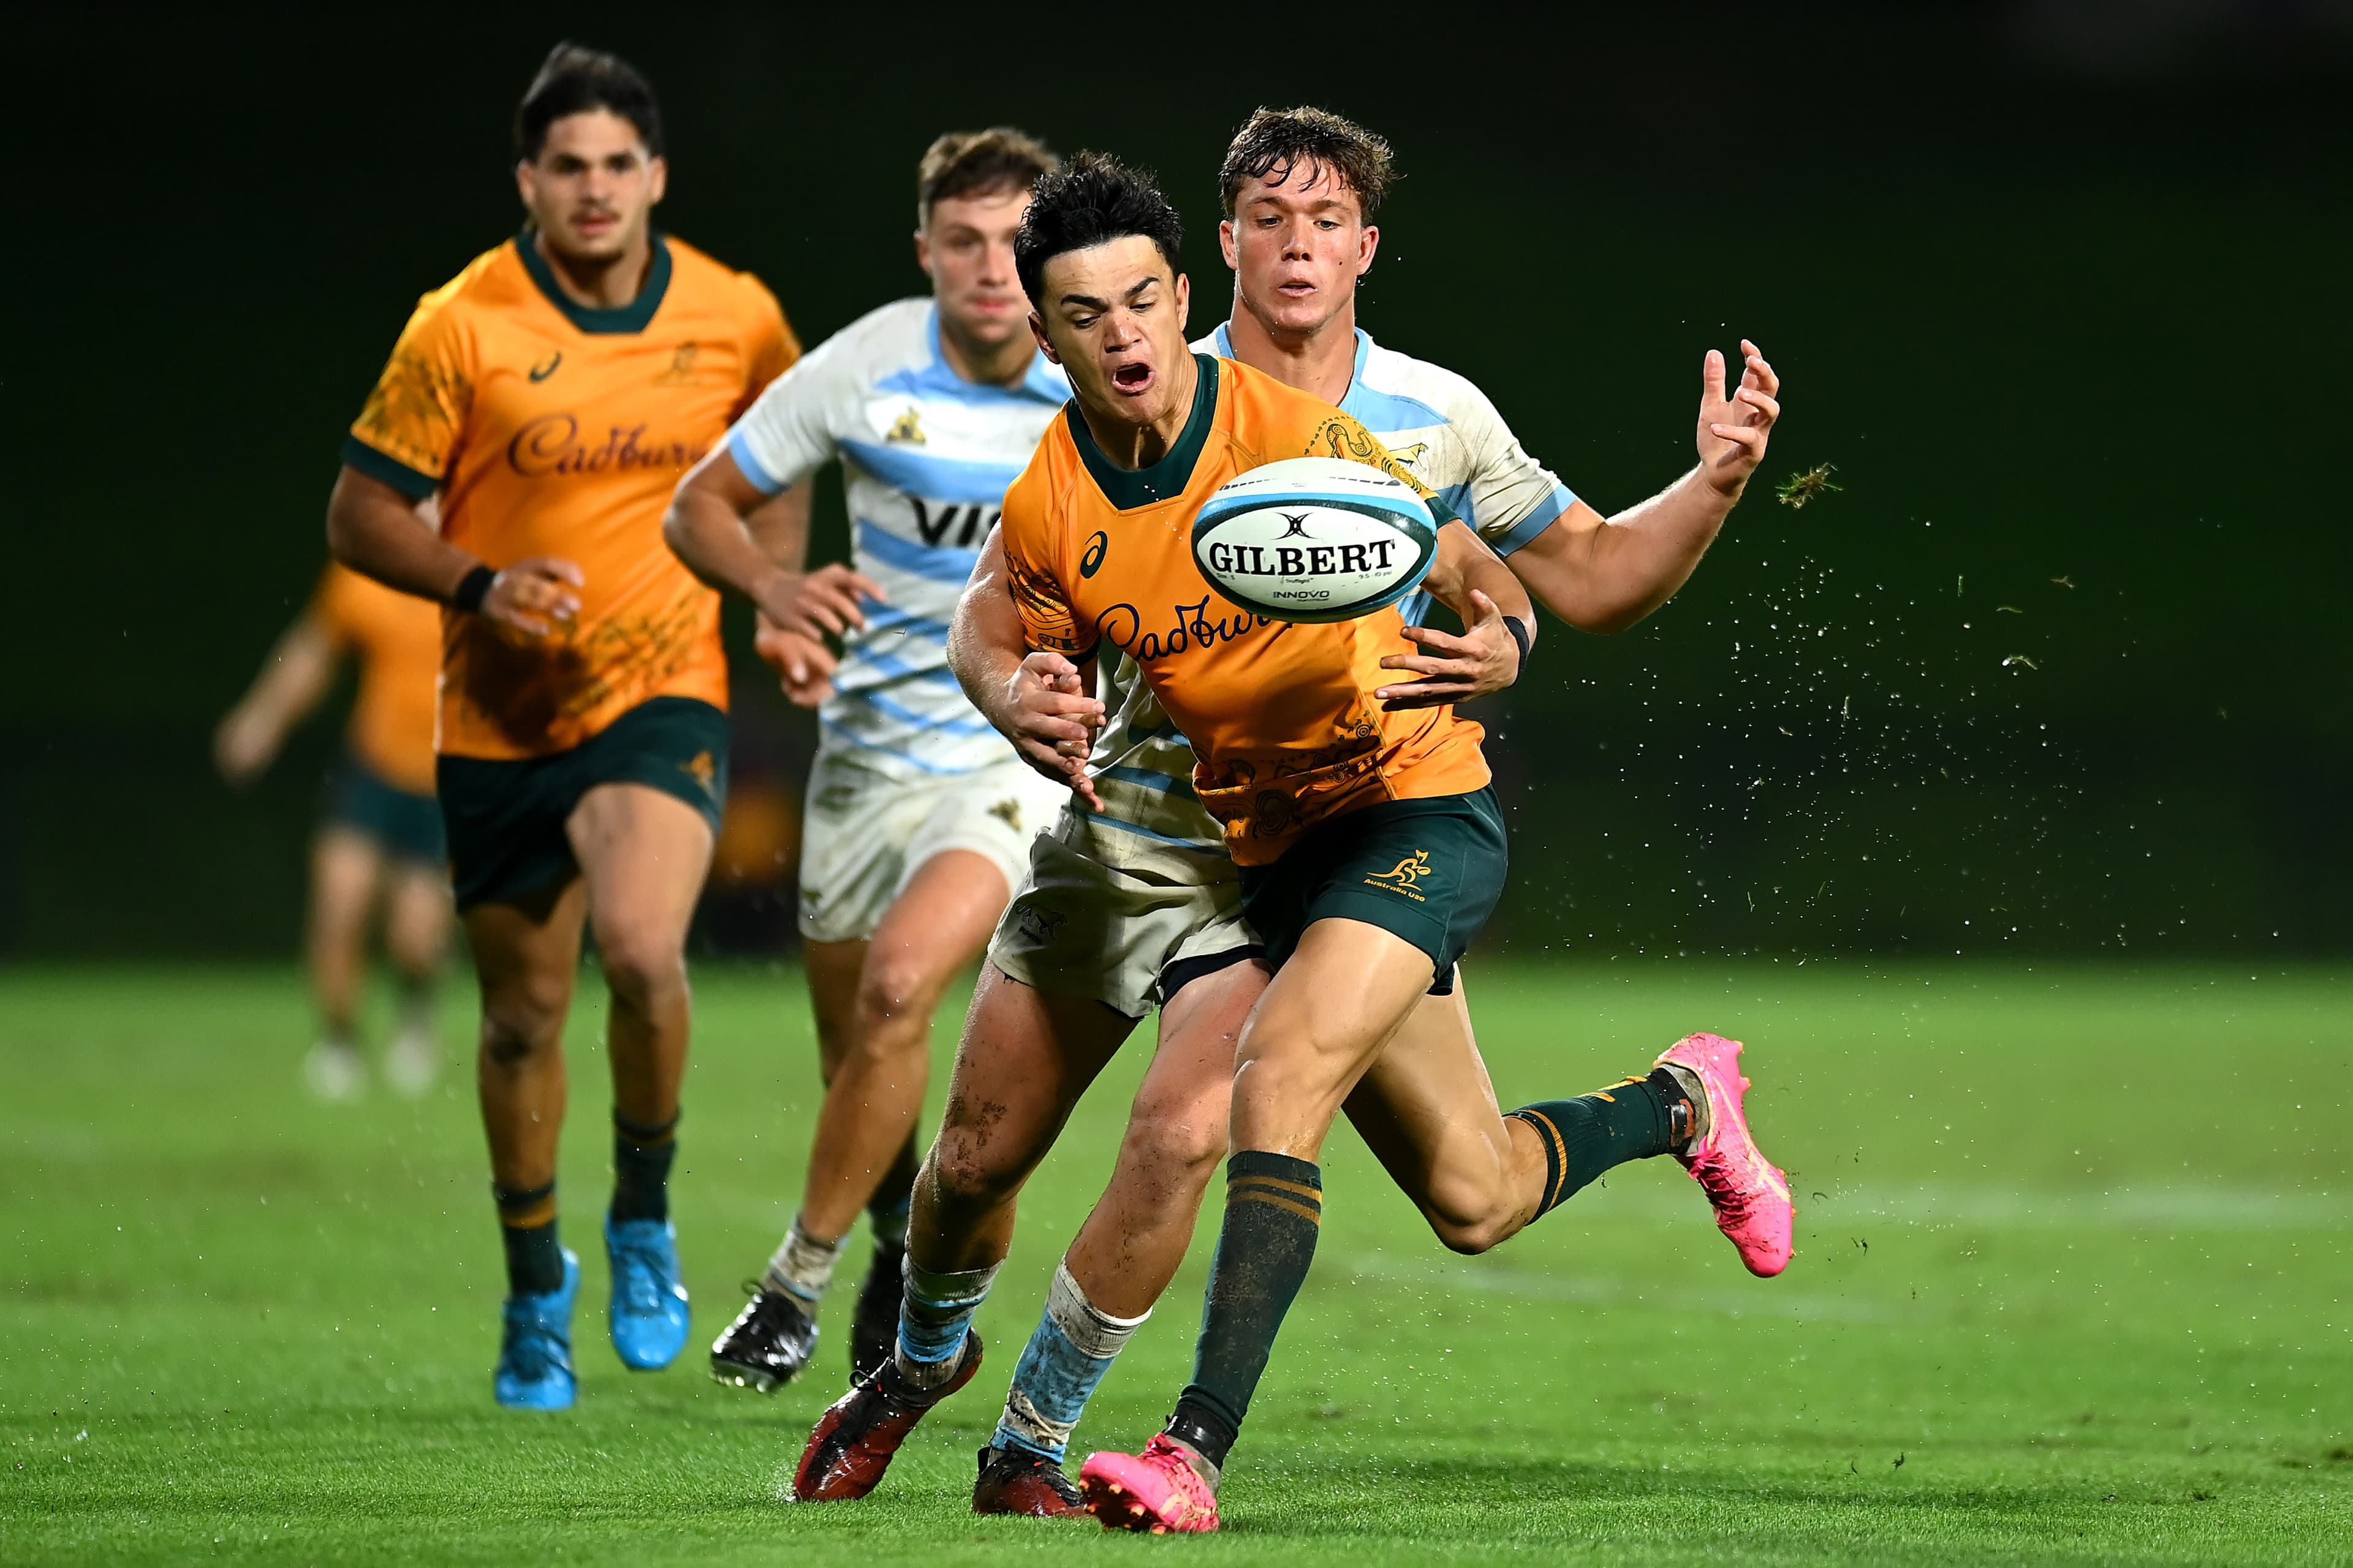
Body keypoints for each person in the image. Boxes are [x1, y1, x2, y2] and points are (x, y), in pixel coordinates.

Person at [792, 118, 1791, 1518]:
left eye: (1326, 218)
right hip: (1138, 831)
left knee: (1199, 1125)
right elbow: (998, 610)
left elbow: (1563, 578)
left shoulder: (1401, 425)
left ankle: (1050, 1445)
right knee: (1456, 1187)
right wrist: (1012, 685)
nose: (1298, 241)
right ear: (1226, 249)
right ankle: (1678, 1101)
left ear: (1359, 248)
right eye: (1269, 214)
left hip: (1339, 841)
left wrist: (1683, 504)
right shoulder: (1078, 462)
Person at [324, 42, 801, 1411]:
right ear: (529, 180)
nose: (595, 190)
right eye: (567, 167)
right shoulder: (460, 321)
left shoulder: (735, 315)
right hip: (498, 715)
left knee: (647, 950)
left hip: (661, 688)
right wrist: (477, 583)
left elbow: (773, 469)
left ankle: (641, 1217)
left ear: (656, 174)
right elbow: (359, 512)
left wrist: (767, 593)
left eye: (618, 165)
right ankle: (537, 1283)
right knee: (526, 1016)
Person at [662, 128, 1072, 1392]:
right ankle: (906, 1245)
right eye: (965, 242)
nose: (993, 268)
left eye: (1016, 242)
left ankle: (794, 1283)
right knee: (861, 1060)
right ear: (926, 252)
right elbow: (700, 506)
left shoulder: (1099, 380)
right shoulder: (865, 364)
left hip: (1011, 758)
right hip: (864, 757)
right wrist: (774, 591)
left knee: (901, 989)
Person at [215, 556, 452, 1102]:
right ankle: (339, 1041)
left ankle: (415, 1017)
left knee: (416, 940)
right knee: (340, 901)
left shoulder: (486, 570)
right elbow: (314, 648)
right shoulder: (376, 567)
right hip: (373, 768)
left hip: (448, 782)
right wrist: (260, 721)